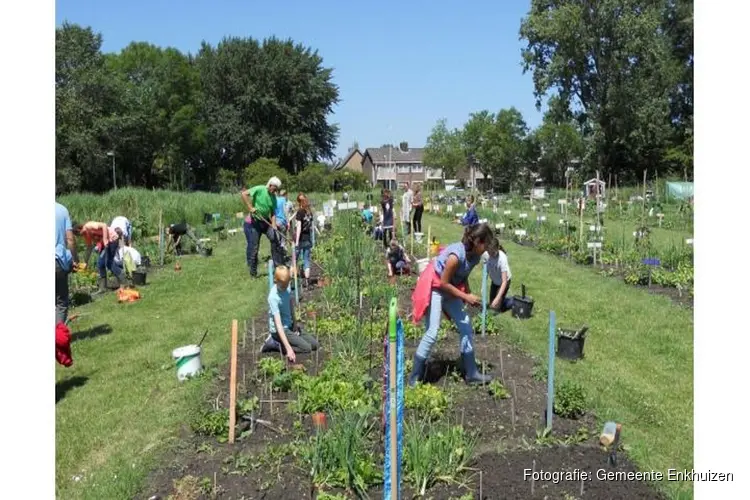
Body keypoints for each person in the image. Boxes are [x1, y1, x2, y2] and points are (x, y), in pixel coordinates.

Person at [409, 223, 497, 387]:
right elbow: (443, 283)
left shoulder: (475, 256)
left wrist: (469, 295)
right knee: (432, 331)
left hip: (450, 289)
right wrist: (465, 296)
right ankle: (415, 377)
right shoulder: (456, 255)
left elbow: (463, 276)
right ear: (477, 241)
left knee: (465, 326)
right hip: (435, 286)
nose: (486, 248)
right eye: (486, 244)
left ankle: (471, 373)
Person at [266, 265, 319, 362]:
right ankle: (275, 344)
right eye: (283, 285)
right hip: (280, 331)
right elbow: (278, 325)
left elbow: (290, 304)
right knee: (306, 348)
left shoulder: (287, 286)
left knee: (315, 344)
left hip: (289, 325)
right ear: (276, 281)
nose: (286, 287)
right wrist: (289, 349)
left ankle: (290, 340)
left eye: (287, 284)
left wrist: (295, 324)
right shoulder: (273, 297)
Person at [241, 176, 286, 277]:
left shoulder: (273, 197)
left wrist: (274, 224)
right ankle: (253, 273)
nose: (274, 191)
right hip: (255, 222)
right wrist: (250, 207)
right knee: (254, 248)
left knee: (275, 239)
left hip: (266, 222)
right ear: (270, 185)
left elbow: (273, 212)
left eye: (276, 190)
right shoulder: (260, 189)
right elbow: (244, 194)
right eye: (273, 188)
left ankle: (277, 267)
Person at [56, 202, 78, 324]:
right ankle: (57, 337)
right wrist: (74, 259)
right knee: (61, 302)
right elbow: (70, 239)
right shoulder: (61, 210)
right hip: (57, 261)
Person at [485, 238, 514, 313]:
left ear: (497, 249)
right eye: (489, 252)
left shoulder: (502, 259)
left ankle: (513, 300)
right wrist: (483, 286)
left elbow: (504, 282)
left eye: (492, 252)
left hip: (504, 283)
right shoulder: (487, 254)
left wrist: (498, 298)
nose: (490, 255)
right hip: (495, 281)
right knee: (492, 305)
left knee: (497, 308)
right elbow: (486, 271)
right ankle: (503, 299)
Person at [294, 193, 315, 286]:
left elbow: (298, 228)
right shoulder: (309, 213)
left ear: (301, 203)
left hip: (301, 239)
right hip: (308, 239)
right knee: (306, 260)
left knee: (295, 259)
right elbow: (311, 227)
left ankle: (292, 281)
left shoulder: (300, 212)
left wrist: (297, 242)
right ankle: (307, 281)